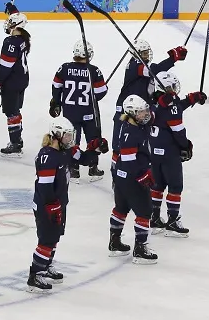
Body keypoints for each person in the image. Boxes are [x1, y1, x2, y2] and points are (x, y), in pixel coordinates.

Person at [26, 119, 97, 293]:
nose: (70, 139)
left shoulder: (66, 151)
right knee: (46, 240)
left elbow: (84, 160)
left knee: (54, 237)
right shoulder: (47, 156)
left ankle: (46, 265)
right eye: (67, 136)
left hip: (58, 203)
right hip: (46, 205)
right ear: (57, 136)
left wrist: (94, 149)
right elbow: (44, 187)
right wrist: (52, 206)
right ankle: (35, 275)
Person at [148, 72, 207, 237]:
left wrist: (191, 98)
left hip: (153, 152)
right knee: (175, 187)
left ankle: (154, 219)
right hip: (169, 153)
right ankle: (172, 222)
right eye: (172, 87)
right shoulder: (170, 106)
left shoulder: (151, 101)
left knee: (157, 186)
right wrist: (186, 146)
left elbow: (171, 107)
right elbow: (178, 131)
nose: (174, 90)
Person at [111, 39, 184, 159]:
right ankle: (117, 170)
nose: (146, 55)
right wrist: (172, 59)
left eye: (146, 52)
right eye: (143, 53)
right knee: (120, 142)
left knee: (142, 138)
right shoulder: (135, 65)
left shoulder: (140, 64)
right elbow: (153, 71)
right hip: (127, 109)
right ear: (136, 53)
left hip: (140, 108)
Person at [49, 40, 109, 182]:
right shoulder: (93, 70)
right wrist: (92, 95)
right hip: (89, 112)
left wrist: (56, 103)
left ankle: (73, 169)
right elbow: (101, 92)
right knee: (93, 138)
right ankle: (93, 168)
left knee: (71, 140)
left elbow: (56, 86)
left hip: (70, 112)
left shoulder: (64, 68)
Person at [109, 96, 159, 265]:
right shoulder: (132, 133)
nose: (146, 113)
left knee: (121, 209)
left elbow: (153, 115)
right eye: (142, 111)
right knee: (145, 212)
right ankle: (140, 248)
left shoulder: (130, 124)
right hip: (132, 178)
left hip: (121, 176)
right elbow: (131, 161)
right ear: (133, 114)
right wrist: (142, 176)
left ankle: (114, 242)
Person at [0, 3, 30, 156]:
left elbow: (5, 67)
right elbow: (19, 20)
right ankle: (17, 139)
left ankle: (15, 143)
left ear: (18, 25)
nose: (8, 23)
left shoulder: (10, 43)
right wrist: (13, 11)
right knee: (15, 110)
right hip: (22, 80)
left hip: (12, 82)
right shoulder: (24, 38)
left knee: (11, 112)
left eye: (12, 22)